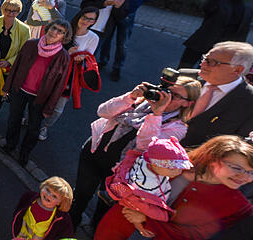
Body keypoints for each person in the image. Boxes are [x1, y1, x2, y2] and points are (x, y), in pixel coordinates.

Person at [68, 77, 201, 229]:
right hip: (94, 151)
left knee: (105, 206)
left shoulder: (178, 128)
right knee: (79, 197)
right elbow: (102, 111)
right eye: (168, 91)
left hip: (122, 172)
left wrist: (157, 114)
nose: (168, 97)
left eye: (176, 96)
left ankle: (92, 232)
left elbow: (147, 147)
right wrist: (130, 97)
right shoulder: (141, 101)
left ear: (188, 103)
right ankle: (67, 229)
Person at [116, 135, 253, 240]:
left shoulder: (239, 206)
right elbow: (129, 180)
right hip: (120, 219)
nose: (245, 177)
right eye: (237, 168)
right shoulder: (174, 164)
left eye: (251, 172)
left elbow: (194, 235)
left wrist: (147, 220)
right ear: (213, 158)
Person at [93, 136, 193, 239]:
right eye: (173, 169)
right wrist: (164, 215)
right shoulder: (147, 184)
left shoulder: (145, 161)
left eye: (180, 168)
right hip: (130, 210)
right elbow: (142, 205)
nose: (178, 172)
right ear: (156, 165)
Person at [3, 19, 72, 167]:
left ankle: (24, 153)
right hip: (19, 90)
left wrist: (49, 107)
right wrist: (7, 88)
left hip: (40, 98)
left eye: (61, 32)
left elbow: (60, 85)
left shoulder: (63, 56)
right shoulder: (30, 44)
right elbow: (16, 66)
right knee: (13, 120)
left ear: (64, 37)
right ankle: (10, 145)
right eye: (54, 28)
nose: (55, 33)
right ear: (48, 28)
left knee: (33, 128)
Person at [39, 6, 100, 141]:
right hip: (52, 70)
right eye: (85, 17)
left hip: (71, 76)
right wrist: (68, 53)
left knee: (58, 108)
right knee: (40, 97)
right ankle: (31, 118)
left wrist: (79, 57)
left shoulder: (93, 37)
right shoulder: (66, 29)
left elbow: (88, 56)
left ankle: (44, 126)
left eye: (91, 19)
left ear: (94, 22)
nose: (86, 21)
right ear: (80, 15)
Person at [99, 0, 164, 77]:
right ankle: (103, 61)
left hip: (128, 14)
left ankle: (117, 68)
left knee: (122, 43)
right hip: (112, 11)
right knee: (106, 38)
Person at [182, 41, 253, 147]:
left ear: (237, 69)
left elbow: (237, 145)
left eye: (212, 62)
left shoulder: (249, 101)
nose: (202, 64)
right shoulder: (185, 77)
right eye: (205, 58)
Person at [179, 0, 253, 68]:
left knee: (205, 79)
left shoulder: (249, 8)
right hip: (200, 44)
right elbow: (206, 7)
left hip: (221, 52)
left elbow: (242, 33)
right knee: (182, 72)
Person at [81, 0, 130, 81]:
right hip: (84, 27)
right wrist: (105, 3)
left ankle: (78, 81)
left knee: (88, 58)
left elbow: (121, 17)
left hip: (101, 32)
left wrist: (118, 7)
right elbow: (84, 5)